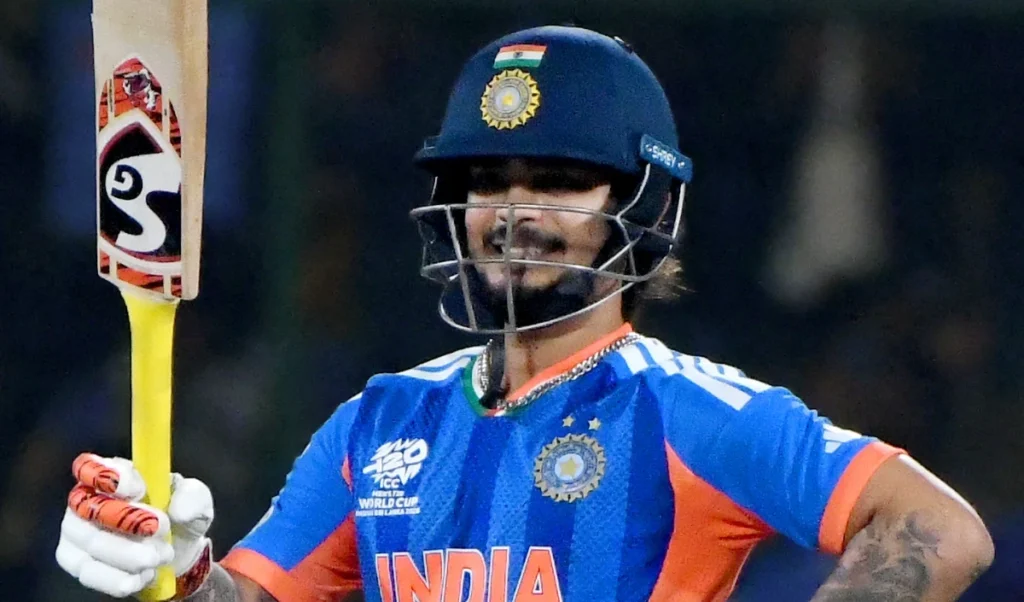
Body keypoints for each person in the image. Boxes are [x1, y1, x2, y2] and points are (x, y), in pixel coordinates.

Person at [56, 25, 993, 602]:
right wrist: (175, 570)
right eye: (488, 180)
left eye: (556, 181)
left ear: (641, 206)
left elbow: (944, 532)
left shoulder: (688, 412)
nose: (512, 211)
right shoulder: (378, 421)